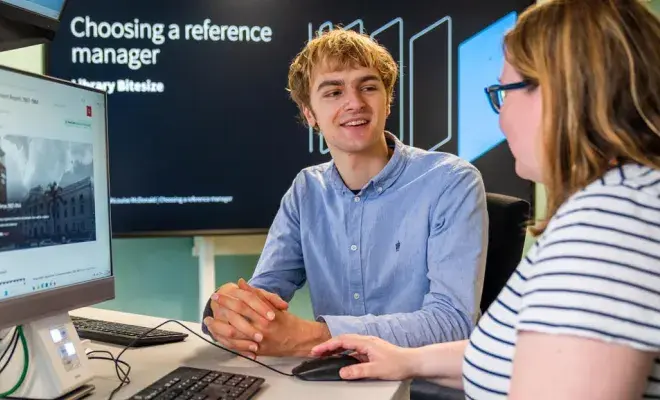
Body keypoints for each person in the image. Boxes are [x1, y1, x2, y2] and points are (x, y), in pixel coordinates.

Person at [308, 0, 660, 398]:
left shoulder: (610, 224)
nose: (501, 118)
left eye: (504, 93)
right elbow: (533, 358)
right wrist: (406, 360)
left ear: (565, 93)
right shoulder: (627, 199)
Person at [201, 28, 489, 358]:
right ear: (310, 114)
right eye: (334, 92)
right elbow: (264, 295)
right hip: (331, 379)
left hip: (420, 382)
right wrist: (229, 308)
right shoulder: (306, 191)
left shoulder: (451, 182)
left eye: (368, 87)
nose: (354, 103)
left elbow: (453, 322)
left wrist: (316, 336)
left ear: (388, 101)